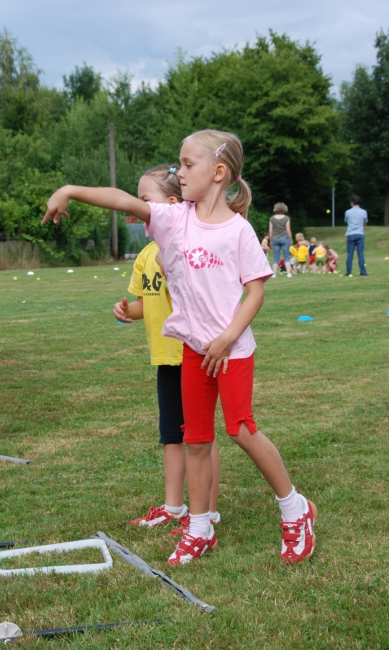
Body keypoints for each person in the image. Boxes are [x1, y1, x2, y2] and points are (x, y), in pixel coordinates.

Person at [43, 129, 317, 567]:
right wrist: (70, 190)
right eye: (179, 163)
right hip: (192, 349)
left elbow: (255, 294)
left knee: (241, 430)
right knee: (195, 438)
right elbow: (122, 200)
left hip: (232, 351)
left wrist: (228, 336)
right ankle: (199, 528)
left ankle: (294, 509)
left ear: (219, 172)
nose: (179, 172)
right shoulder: (174, 219)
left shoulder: (240, 231)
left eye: (188, 165)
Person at [112, 164, 220, 530]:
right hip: (165, 359)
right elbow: (146, 301)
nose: (137, 208)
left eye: (144, 200)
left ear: (171, 204)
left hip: (192, 356)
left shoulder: (189, 247)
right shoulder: (145, 256)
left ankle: (208, 508)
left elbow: (198, 296)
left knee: (200, 436)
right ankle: (174, 507)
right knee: (172, 435)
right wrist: (129, 310)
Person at [345, 195, 368, 276]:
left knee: (350, 254)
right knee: (361, 254)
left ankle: (348, 272)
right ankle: (363, 271)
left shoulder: (348, 212)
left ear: (352, 202)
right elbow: (365, 223)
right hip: (360, 233)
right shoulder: (364, 212)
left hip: (351, 234)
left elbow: (347, 222)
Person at [269, 203, 293, 278]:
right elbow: (288, 230)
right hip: (285, 238)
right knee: (286, 256)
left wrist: (271, 240)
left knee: (276, 257)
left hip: (275, 238)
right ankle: (289, 273)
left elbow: (270, 231)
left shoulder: (272, 218)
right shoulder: (286, 218)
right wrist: (291, 239)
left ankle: (274, 274)